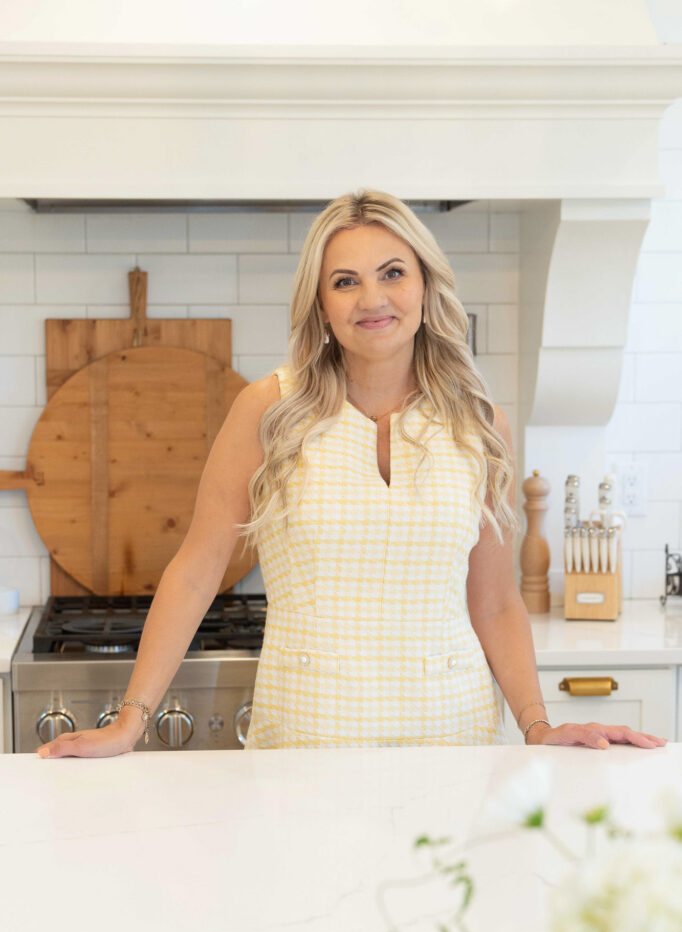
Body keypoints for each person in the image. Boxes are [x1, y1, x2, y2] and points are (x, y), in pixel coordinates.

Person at [36, 188, 666, 758]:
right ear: (321, 304)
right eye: (345, 281)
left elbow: (496, 602)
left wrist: (536, 726)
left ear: (425, 284)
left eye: (393, 273)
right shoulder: (270, 412)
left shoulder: (481, 424)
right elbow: (196, 570)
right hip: (308, 739)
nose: (373, 299)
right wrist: (130, 719)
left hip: (456, 741)